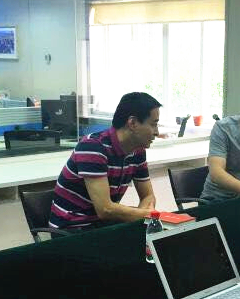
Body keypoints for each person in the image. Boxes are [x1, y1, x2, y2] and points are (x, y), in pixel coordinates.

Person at [49, 92, 159, 231]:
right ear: (132, 123)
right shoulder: (92, 147)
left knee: (158, 238)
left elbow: (148, 196)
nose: (157, 132)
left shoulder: (138, 151)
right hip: (73, 229)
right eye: (153, 125)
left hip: (104, 224)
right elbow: (105, 209)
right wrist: (146, 216)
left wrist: (143, 217)